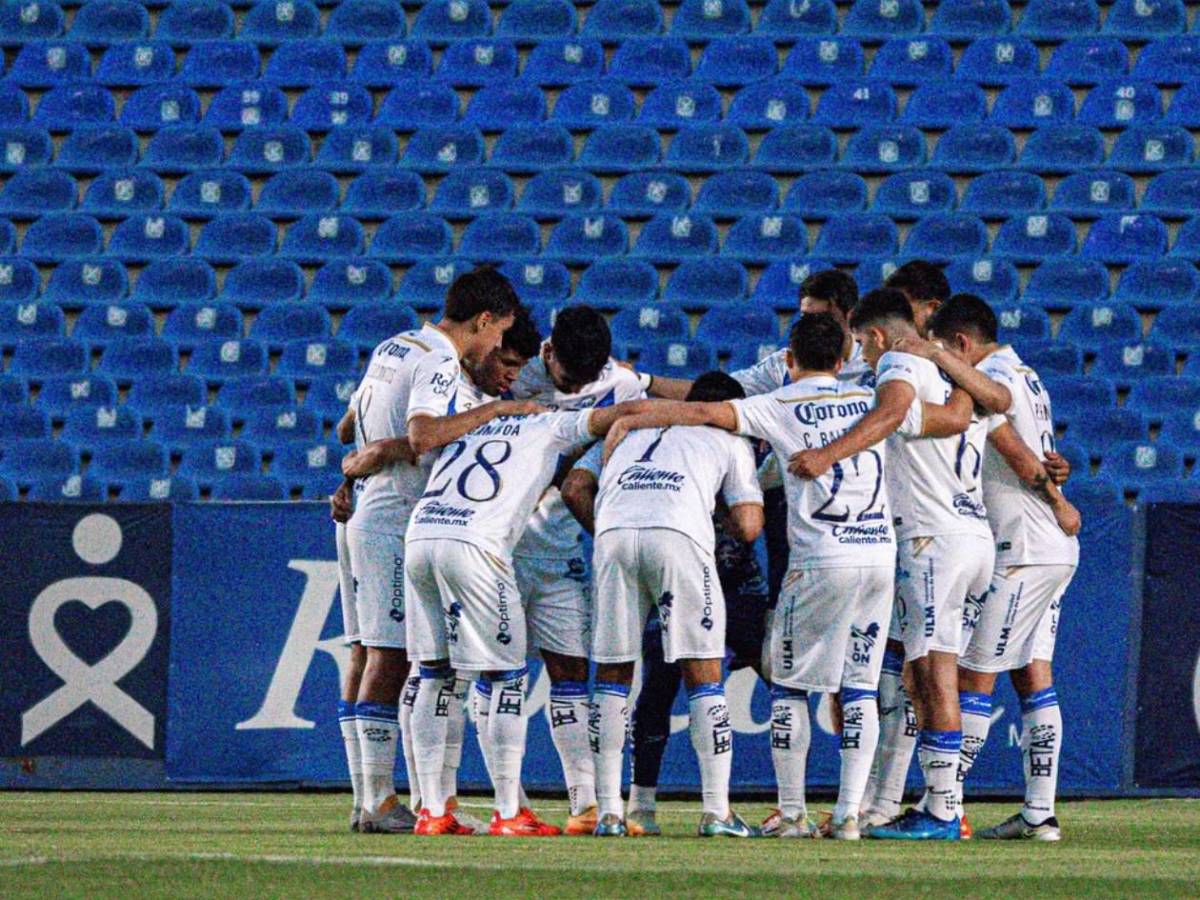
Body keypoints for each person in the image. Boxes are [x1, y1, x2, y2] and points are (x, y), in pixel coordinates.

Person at [603, 316, 905, 839]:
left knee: (786, 686)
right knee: (858, 687)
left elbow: (702, 411)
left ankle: (791, 814)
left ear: (788, 361)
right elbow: (934, 416)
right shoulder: (870, 401)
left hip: (819, 560)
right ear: (843, 359)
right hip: (879, 555)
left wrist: (633, 413)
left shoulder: (774, 405)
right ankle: (850, 814)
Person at [340, 266, 534, 836]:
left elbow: (346, 425)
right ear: (483, 320)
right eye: (499, 334)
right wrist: (496, 413)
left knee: (367, 655)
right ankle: (379, 802)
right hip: (395, 517)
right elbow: (425, 435)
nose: (499, 347)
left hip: (366, 509)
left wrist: (360, 464)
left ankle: (368, 799)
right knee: (392, 660)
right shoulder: (440, 360)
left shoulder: (393, 345)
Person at [790, 289, 986, 841]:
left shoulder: (898, 362)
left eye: (861, 343)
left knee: (931, 671)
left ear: (874, 336)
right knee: (916, 672)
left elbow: (894, 412)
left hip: (930, 537)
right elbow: (984, 409)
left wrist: (830, 454)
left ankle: (944, 810)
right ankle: (908, 804)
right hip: (971, 532)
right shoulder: (953, 375)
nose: (862, 356)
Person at [403, 398, 645, 836]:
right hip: (476, 546)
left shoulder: (469, 425)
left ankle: (431, 809)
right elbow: (612, 415)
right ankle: (509, 811)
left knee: (433, 673)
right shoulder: (548, 425)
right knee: (506, 678)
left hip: (421, 536)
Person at [560, 376, 772, 837]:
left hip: (614, 536)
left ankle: (611, 813)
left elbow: (575, 487)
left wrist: (617, 529)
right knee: (703, 672)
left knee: (614, 674)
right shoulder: (727, 435)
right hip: (679, 537)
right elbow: (751, 526)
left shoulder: (631, 425)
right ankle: (717, 812)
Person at [922, 295, 1081, 841]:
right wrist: (1057, 486)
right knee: (1033, 676)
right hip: (1049, 548)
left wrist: (1059, 501)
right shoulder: (1028, 373)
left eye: (944, 350)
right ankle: (1039, 813)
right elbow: (1042, 453)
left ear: (961, 345)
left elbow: (1016, 452)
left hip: (1023, 548)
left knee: (973, 677)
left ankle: (942, 805)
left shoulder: (986, 377)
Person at [505, 305, 646, 835]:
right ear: (547, 353)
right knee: (501, 678)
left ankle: (585, 802)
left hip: (560, 551)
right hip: (503, 550)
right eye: (568, 378)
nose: (578, 386)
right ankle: (507, 798)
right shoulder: (514, 377)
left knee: (570, 676)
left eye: (587, 379)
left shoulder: (623, 386)